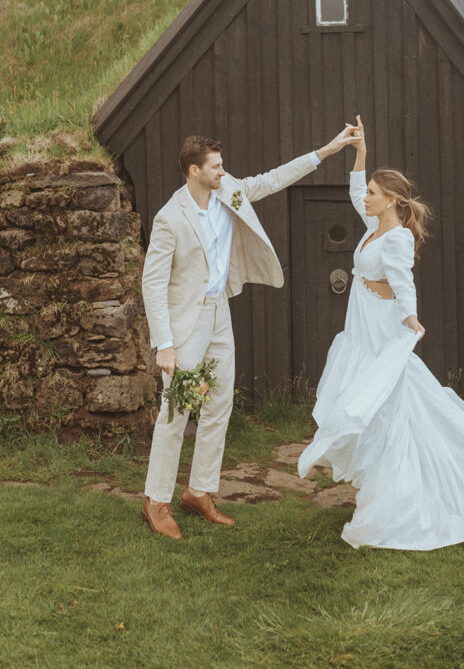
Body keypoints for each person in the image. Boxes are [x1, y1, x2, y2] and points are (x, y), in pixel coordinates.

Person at [298, 116, 464, 550]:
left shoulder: (396, 239)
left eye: (374, 193)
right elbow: (356, 192)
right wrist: (361, 155)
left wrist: (411, 318)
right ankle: (380, 478)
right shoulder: (375, 226)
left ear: (391, 200)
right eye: (370, 192)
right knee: (374, 398)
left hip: (380, 325)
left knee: (387, 399)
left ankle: (402, 490)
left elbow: (404, 281)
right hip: (362, 323)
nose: (366, 198)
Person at [141, 128, 357, 539]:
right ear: (194, 171)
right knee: (176, 411)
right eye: (216, 167)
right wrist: (164, 343)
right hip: (186, 323)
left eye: (223, 165)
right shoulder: (170, 218)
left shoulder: (229, 190)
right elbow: (152, 283)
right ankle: (155, 501)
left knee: (219, 404)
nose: (225, 171)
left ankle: (199, 491)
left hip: (220, 312)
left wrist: (326, 151)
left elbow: (273, 179)